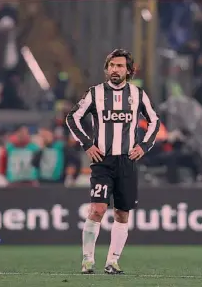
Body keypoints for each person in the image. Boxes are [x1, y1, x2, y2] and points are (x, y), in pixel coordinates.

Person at [66, 49, 160, 274]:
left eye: (119, 66)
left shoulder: (138, 94)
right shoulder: (94, 93)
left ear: (129, 71)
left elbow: (154, 121)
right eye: (111, 66)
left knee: (122, 213)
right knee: (97, 209)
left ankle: (112, 261)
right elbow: (72, 117)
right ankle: (87, 260)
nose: (115, 70)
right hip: (103, 161)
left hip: (127, 161)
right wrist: (87, 144)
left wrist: (144, 146)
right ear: (106, 69)